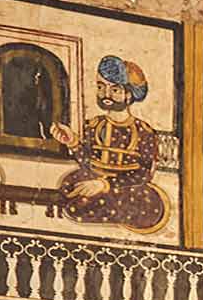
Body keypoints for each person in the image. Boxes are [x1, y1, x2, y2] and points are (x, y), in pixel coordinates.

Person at [53, 58, 168, 232]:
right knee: (71, 192)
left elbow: (144, 174)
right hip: (93, 180)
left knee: (143, 206)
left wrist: (105, 184)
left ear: (129, 94)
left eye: (115, 89)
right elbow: (88, 162)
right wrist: (73, 142)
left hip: (126, 188)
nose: (106, 94)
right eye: (101, 87)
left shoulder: (144, 131)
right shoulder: (93, 125)